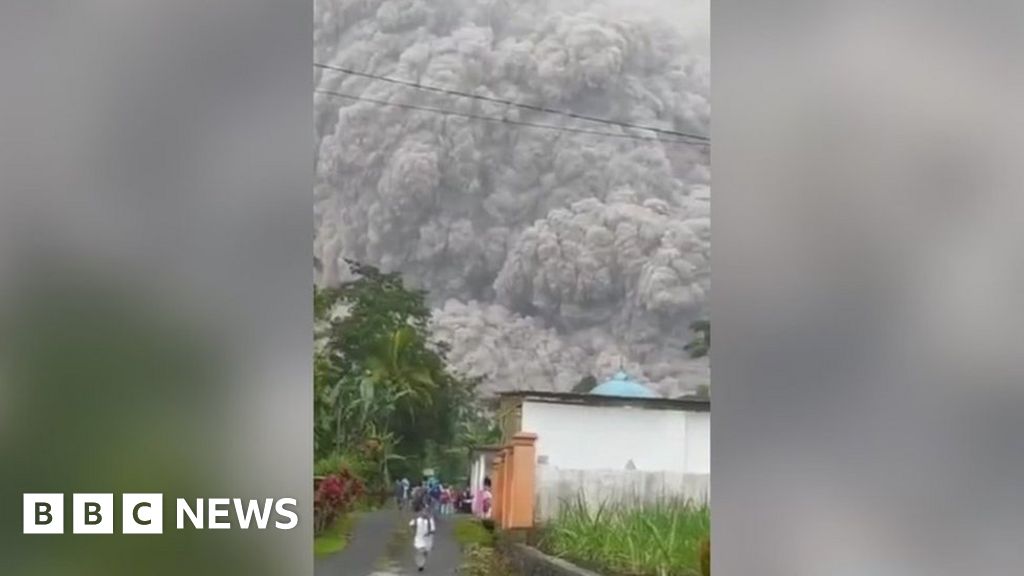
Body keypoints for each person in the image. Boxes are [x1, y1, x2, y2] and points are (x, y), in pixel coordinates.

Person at [409, 499, 436, 572]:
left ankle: (422, 563)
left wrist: (430, 533)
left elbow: (433, 530)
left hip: (428, 539)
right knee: (420, 551)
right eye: (423, 511)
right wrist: (413, 531)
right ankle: (420, 565)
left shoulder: (430, 520)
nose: (425, 513)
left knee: (425, 552)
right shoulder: (417, 519)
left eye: (426, 512)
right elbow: (411, 525)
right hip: (419, 537)